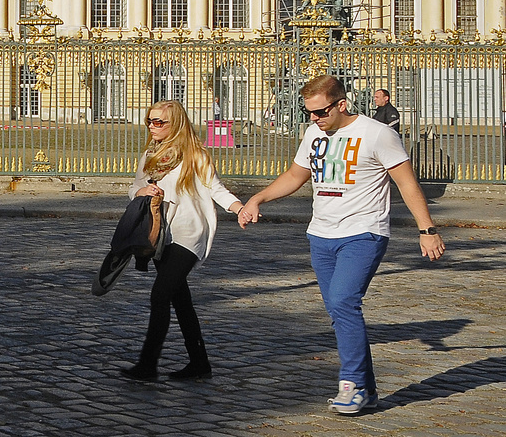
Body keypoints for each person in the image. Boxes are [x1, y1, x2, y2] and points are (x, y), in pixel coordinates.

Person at [238, 75, 444, 414]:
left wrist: (427, 229)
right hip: (321, 233)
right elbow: (295, 175)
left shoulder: (378, 134)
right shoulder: (313, 133)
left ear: (341, 104)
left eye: (320, 112)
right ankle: (368, 388)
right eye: (309, 113)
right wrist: (258, 198)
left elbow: (406, 184)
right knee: (338, 310)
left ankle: (351, 384)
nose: (314, 119)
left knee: (344, 301)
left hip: (364, 232)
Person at [119, 100, 244, 382]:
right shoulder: (151, 154)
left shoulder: (195, 155)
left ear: (175, 123)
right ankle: (199, 363)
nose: (152, 126)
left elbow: (216, 189)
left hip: (189, 234)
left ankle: (147, 365)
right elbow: (134, 186)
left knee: (161, 294)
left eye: (159, 122)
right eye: (149, 121)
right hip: (161, 234)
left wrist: (239, 208)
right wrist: (141, 192)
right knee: (181, 299)